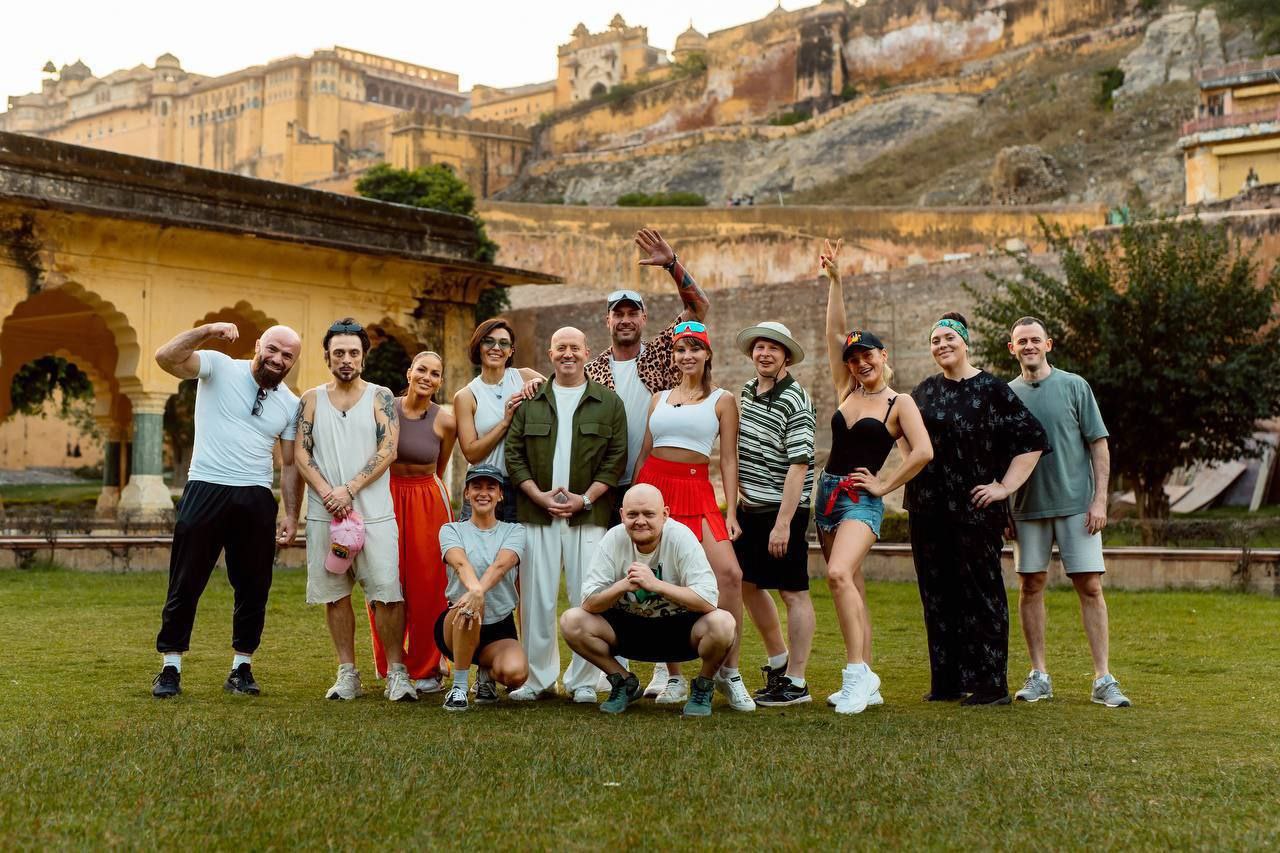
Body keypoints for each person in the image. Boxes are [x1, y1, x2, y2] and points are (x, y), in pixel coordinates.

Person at [581, 228, 711, 699]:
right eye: (618, 313)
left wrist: (673, 264)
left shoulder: (660, 352)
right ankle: (619, 663)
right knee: (617, 571)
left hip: (652, 480)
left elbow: (699, 309)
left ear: (643, 318)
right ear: (607, 320)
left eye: (632, 312)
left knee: (660, 569)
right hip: (606, 484)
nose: (625, 319)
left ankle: (666, 668)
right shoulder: (592, 369)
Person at [151, 323, 303, 698]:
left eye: (287, 356)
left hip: (255, 496)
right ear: (258, 345)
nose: (278, 359)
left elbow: (289, 464)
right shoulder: (218, 366)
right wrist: (207, 330)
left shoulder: (290, 403)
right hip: (206, 485)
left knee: (254, 587)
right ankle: (170, 668)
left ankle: (241, 668)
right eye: (273, 349)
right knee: (185, 581)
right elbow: (165, 358)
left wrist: (290, 513)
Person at [905, 310, 1049, 706]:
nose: (942, 345)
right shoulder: (923, 392)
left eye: (949, 338)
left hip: (974, 510)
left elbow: (1034, 439)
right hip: (927, 509)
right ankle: (947, 681)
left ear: (965, 342)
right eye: (935, 341)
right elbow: (904, 434)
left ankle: (990, 684)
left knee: (981, 593)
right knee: (937, 593)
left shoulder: (992, 389)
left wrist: (1004, 487)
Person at [815, 241, 934, 714]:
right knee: (853, 584)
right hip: (827, 495)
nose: (860, 362)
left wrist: (884, 487)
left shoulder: (899, 403)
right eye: (853, 358)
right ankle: (868, 677)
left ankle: (855, 676)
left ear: (883, 356)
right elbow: (834, 334)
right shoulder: (845, 389)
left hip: (861, 499)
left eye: (868, 355)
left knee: (837, 574)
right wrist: (836, 281)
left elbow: (923, 451)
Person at [1005, 317, 1131, 708]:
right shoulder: (1006, 394)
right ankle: (1039, 675)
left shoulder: (1075, 386)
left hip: (1078, 507)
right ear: (1012, 348)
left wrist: (1099, 500)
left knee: (1090, 586)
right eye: (1022, 341)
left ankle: (1103, 679)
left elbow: (1099, 445)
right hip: (1026, 508)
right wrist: (1004, 508)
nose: (1029, 346)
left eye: (1035, 339)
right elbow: (999, 455)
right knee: (1030, 586)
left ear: (1048, 344)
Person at [632, 320, 755, 712]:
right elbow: (645, 451)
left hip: (697, 488)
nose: (687, 356)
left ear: (707, 354)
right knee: (663, 577)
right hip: (655, 487)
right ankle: (673, 676)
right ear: (674, 356)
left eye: (694, 348)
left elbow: (728, 458)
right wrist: (634, 499)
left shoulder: (723, 399)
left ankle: (727, 671)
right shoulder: (658, 398)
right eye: (681, 349)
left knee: (730, 574)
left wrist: (731, 509)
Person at [504, 327, 628, 702]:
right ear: (550, 354)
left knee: (587, 596)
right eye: (561, 348)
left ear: (587, 352)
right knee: (536, 599)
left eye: (575, 347)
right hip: (537, 513)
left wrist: (585, 499)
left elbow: (616, 458)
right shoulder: (531, 401)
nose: (568, 353)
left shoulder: (608, 403)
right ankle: (537, 679)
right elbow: (514, 455)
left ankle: (584, 681)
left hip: (587, 516)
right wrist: (537, 496)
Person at [295, 318, 414, 702]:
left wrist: (350, 489)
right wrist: (329, 493)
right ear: (327, 357)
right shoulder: (311, 399)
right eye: (339, 353)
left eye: (353, 353)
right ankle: (347, 673)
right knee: (334, 594)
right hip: (325, 513)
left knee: (387, 592)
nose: (346, 359)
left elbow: (388, 450)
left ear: (364, 357)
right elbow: (301, 454)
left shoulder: (381, 396)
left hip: (373, 511)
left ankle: (396, 672)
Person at [560, 484, 735, 717]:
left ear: (665, 514)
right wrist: (623, 585)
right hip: (628, 629)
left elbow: (708, 600)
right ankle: (624, 682)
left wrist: (656, 585)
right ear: (622, 515)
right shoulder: (613, 538)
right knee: (572, 621)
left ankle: (703, 686)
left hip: (679, 631)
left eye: (649, 514)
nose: (640, 521)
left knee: (723, 623)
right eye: (633, 514)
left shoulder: (681, 537)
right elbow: (589, 602)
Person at [730, 321, 819, 707]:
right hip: (749, 509)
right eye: (759, 347)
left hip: (784, 510)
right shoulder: (748, 390)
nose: (764, 353)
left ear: (786, 356)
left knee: (793, 592)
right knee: (746, 584)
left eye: (773, 348)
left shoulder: (796, 399)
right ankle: (779, 661)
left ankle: (797, 682)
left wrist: (783, 524)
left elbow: (799, 465)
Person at [369, 350, 457, 695]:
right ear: (409, 372)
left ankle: (427, 667)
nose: (427, 377)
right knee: (385, 579)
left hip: (426, 499)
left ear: (440, 381)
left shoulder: (445, 421)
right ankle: (391, 663)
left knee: (427, 585)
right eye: (422, 369)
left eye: (435, 373)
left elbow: (440, 467)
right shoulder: (384, 408)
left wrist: (422, 493)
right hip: (386, 495)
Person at [437, 464, 529, 711]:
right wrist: (475, 593)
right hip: (457, 621)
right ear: (467, 493)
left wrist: (478, 591)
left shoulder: (515, 531)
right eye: (476, 487)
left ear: (500, 495)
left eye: (491, 488)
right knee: (471, 607)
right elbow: (460, 563)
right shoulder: (451, 529)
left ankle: (486, 673)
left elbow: (501, 565)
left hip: (498, 625)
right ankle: (458, 688)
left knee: (516, 674)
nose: (483, 493)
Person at [453, 318, 545, 523]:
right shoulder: (466, 396)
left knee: (519, 544)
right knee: (477, 543)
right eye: (489, 341)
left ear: (511, 351)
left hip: (523, 486)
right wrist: (505, 422)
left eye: (503, 343)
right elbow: (471, 453)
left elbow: (560, 395)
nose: (496, 348)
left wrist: (541, 382)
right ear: (478, 346)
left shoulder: (525, 376)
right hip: (484, 486)